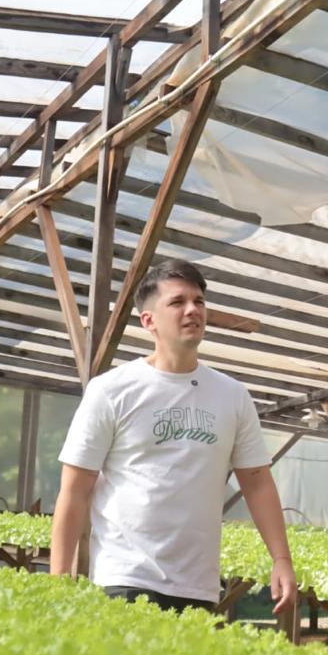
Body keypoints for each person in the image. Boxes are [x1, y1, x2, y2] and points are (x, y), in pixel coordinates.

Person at [50, 258, 298, 616]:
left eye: (199, 301)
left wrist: (281, 558)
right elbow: (75, 488)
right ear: (148, 320)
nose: (192, 310)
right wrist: (60, 579)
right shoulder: (112, 390)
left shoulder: (232, 395)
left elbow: (257, 481)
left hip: (199, 584)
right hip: (125, 578)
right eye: (177, 302)